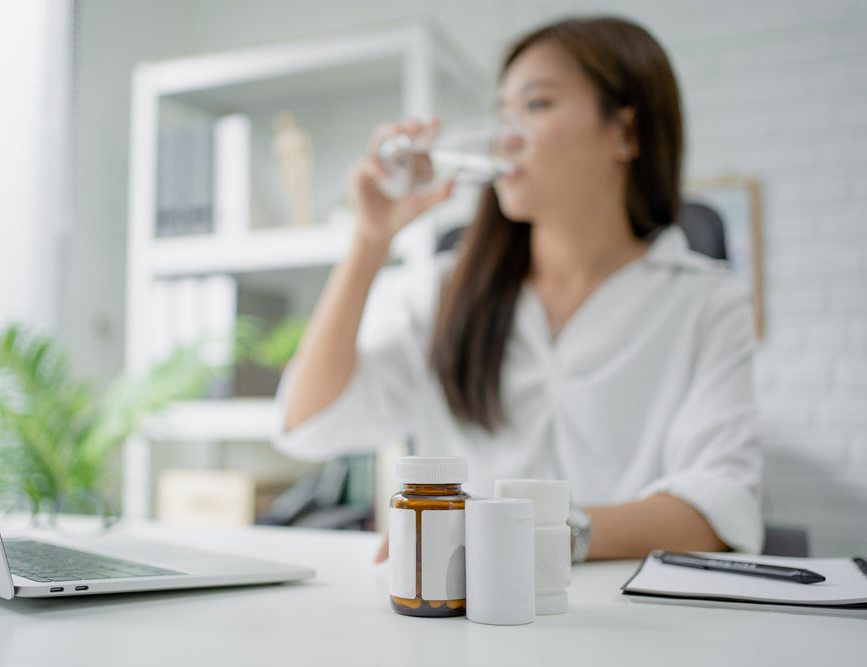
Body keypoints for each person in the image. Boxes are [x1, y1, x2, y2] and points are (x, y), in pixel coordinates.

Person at [273, 16, 763, 561]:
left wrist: (533, 533)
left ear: (626, 132)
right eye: (502, 113)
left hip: (634, 626)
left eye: (536, 105)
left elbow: (719, 510)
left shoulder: (708, 303)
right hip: (470, 622)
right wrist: (369, 241)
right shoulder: (445, 291)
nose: (506, 136)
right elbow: (308, 425)